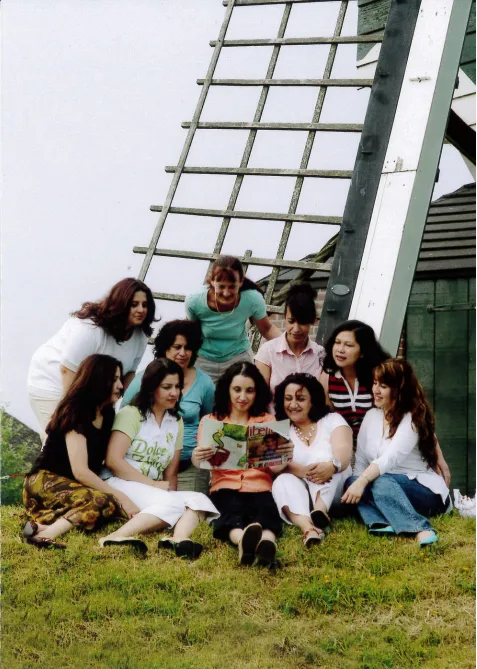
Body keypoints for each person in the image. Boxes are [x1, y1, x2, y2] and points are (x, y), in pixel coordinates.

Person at [98, 358, 219, 558]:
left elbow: (171, 473)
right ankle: (114, 537)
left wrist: (167, 492)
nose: (174, 393)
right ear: (151, 388)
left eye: (178, 387)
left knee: (199, 499)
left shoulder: (176, 421)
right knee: (172, 505)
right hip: (119, 481)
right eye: (166, 387)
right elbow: (113, 461)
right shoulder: (131, 414)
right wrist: (153, 485)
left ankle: (178, 539)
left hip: (151, 488)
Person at [22, 354, 135, 549]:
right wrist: (122, 496)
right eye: (115, 379)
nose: (120, 385)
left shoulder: (108, 414)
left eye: (120, 379)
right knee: (102, 500)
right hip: (45, 481)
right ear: (99, 380)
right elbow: (80, 471)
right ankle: (45, 536)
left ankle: (39, 526)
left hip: (72, 487)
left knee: (111, 507)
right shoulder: (77, 411)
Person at [319, 320, 451, 483]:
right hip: (349, 452)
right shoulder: (327, 377)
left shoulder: (380, 375)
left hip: (386, 450)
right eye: (337, 342)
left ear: (363, 351)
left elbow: (416, 412)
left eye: (348, 345)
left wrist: (438, 456)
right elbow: (327, 420)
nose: (340, 349)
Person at [27, 278, 156, 442]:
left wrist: (113, 407)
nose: (141, 310)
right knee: (63, 439)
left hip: (89, 390)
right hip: (53, 382)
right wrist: (69, 412)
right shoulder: (91, 328)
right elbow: (67, 369)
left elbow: (129, 373)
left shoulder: (140, 336)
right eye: (134, 304)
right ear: (121, 304)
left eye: (145, 305)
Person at [342, 359, 451, 546]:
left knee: (377, 480)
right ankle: (380, 522)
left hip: (424, 491)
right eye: (375, 383)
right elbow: (360, 461)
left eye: (383, 386)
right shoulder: (371, 416)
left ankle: (419, 528)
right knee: (350, 481)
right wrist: (357, 484)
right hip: (384, 488)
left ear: (399, 390)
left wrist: (363, 482)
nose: (375, 390)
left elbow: (390, 458)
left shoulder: (411, 419)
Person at [192, 362, 291, 566]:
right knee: (229, 513)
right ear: (227, 390)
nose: (242, 397)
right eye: (237, 389)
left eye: (249, 391)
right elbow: (201, 462)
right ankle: (243, 542)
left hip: (260, 485)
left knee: (266, 511)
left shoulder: (267, 420)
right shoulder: (211, 421)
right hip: (224, 485)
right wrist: (197, 455)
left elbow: (275, 468)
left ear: (257, 392)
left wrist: (285, 455)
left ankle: (267, 543)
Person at [121, 320, 215, 492]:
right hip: (145, 465)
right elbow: (124, 415)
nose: (182, 353)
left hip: (190, 466)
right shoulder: (143, 379)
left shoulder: (205, 383)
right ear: (165, 348)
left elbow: (211, 421)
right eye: (177, 347)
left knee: (193, 505)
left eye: (188, 348)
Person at [272, 373, 353, 546]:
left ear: (313, 401)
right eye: (288, 399)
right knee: (282, 480)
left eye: (300, 399)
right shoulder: (281, 431)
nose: (293, 404)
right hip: (302, 496)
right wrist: (303, 471)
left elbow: (344, 452)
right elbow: (276, 467)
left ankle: (320, 510)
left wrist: (332, 466)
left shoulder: (332, 420)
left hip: (336, 490)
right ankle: (309, 528)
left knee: (322, 459)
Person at [185, 255, 282, 383]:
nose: (226, 293)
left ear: (240, 282)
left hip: (238, 358)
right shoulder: (195, 301)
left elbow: (267, 329)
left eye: (232, 287)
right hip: (203, 360)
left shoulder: (252, 299)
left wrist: (288, 344)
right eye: (221, 286)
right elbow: (188, 333)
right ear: (212, 281)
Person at [255, 283, 325, 396]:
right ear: (284, 317)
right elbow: (260, 397)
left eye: (302, 322)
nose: (296, 329)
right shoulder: (268, 352)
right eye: (291, 321)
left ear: (312, 320)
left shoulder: (320, 355)